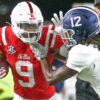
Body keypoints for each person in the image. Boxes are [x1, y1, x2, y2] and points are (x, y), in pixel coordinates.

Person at [0, 1, 68, 100]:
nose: (31, 31)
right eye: (26, 26)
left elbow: (71, 56)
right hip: (20, 96)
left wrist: (66, 37)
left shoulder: (50, 34)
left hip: (48, 97)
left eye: (34, 25)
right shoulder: (4, 35)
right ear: (14, 25)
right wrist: (2, 64)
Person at [35, 6, 100, 99]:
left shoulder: (81, 51)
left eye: (69, 32)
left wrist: (42, 56)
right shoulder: (90, 46)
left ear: (81, 32)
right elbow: (68, 60)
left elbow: (50, 78)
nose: (66, 36)